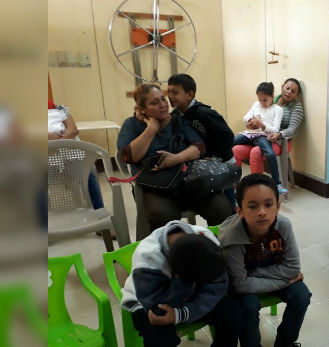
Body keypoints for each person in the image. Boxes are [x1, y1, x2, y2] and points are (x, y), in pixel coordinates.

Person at [121, 220, 243, 347]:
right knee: (162, 342)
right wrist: (181, 286)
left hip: (191, 289)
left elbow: (217, 284)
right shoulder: (147, 259)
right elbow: (157, 308)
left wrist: (181, 314)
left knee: (232, 313)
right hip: (148, 300)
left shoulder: (206, 238)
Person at [218, 174, 312, 347]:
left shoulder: (283, 225)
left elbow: (292, 268)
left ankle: (285, 343)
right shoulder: (232, 238)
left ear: (277, 206)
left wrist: (255, 275)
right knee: (248, 307)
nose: (262, 212)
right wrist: (285, 281)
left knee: (301, 295)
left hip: (256, 276)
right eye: (252, 206)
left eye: (268, 204)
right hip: (243, 286)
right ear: (240, 211)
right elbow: (240, 284)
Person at [117, 84, 232, 231]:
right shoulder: (132, 124)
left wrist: (176, 159)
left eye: (163, 99)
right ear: (142, 109)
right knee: (164, 217)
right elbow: (128, 157)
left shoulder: (177, 120)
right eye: (154, 102)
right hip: (157, 187)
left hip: (189, 182)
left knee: (221, 207)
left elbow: (198, 147)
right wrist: (151, 129)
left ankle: (218, 249)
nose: (163, 105)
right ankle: (173, 251)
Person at [167, 73, 237, 211]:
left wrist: (217, 158)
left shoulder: (203, 113)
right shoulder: (175, 115)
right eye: (169, 92)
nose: (170, 96)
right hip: (203, 166)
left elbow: (228, 135)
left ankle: (232, 224)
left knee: (228, 202)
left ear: (189, 95)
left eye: (175, 92)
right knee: (214, 199)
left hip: (223, 163)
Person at [48, 101, 111, 237]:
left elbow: (73, 129)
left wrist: (58, 141)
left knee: (88, 172)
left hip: (69, 151)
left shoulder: (58, 107)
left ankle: (101, 218)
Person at [232, 78, 304, 194]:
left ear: (297, 94)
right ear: (282, 87)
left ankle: (261, 188)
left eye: (293, 91)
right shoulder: (268, 101)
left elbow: (292, 129)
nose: (289, 92)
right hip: (255, 135)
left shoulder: (293, 107)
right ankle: (234, 186)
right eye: (287, 88)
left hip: (279, 140)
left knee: (257, 152)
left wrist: (278, 133)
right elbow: (249, 116)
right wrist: (250, 123)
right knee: (235, 148)